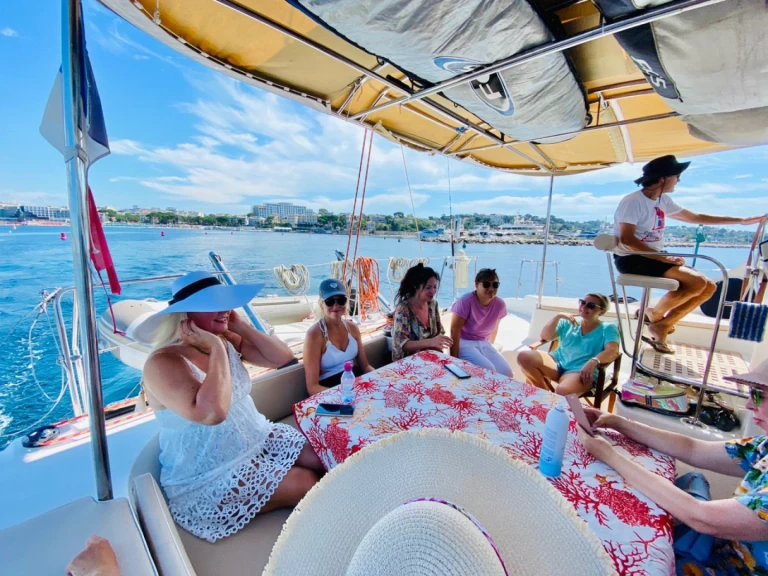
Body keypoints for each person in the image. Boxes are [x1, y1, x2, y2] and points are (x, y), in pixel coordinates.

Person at [136, 271, 325, 543]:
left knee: (323, 456)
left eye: (225, 302)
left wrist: (239, 326)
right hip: (208, 475)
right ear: (185, 314)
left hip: (256, 439)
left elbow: (282, 358)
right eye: (213, 303)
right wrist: (214, 347)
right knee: (305, 483)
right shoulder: (162, 362)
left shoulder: (226, 340)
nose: (224, 308)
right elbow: (212, 413)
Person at [576, 359, 768, 575]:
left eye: (759, 395)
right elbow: (692, 449)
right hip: (718, 554)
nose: (749, 404)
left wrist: (609, 455)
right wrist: (617, 422)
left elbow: (702, 517)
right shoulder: (763, 447)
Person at [613, 154, 764, 354]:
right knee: (698, 282)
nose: (679, 180)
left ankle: (661, 323)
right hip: (631, 259)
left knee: (709, 287)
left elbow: (695, 217)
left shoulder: (663, 200)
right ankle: (656, 317)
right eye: (676, 176)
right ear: (662, 178)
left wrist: (742, 221)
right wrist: (664, 258)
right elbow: (627, 240)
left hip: (653, 257)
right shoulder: (633, 202)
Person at [517, 293, 619, 396]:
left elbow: (612, 351)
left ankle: (548, 399)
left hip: (580, 370)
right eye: (583, 302)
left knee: (562, 391)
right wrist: (557, 317)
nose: (584, 307)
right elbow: (546, 337)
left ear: (602, 311)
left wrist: (593, 361)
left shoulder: (608, 328)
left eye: (591, 305)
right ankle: (542, 395)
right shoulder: (569, 321)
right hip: (557, 362)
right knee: (523, 357)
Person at [303, 278, 374, 396]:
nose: (336, 306)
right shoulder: (314, 335)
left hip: (355, 382)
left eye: (341, 300)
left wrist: (380, 379)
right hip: (329, 389)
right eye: (330, 301)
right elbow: (312, 387)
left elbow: (365, 366)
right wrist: (344, 394)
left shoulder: (352, 328)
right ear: (321, 304)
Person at [449, 268, 512, 377]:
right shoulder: (466, 301)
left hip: (484, 342)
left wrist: (491, 348)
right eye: (486, 284)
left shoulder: (499, 305)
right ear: (476, 285)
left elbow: (495, 328)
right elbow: (454, 331)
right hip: (464, 342)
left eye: (495, 285)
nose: (491, 288)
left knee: (507, 372)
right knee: (488, 369)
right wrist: (454, 360)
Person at [391, 263, 452, 361]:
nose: (433, 291)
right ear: (416, 287)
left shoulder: (433, 305)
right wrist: (431, 342)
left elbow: (438, 332)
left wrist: (439, 343)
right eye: (428, 287)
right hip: (408, 362)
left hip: (430, 357)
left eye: (435, 287)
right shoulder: (403, 309)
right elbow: (401, 344)